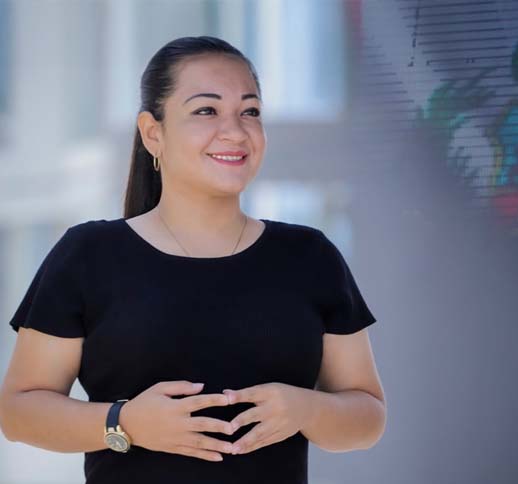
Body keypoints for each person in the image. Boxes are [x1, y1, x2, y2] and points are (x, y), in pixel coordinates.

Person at [0, 36, 386, 484]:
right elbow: (18, 412)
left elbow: (368, 416)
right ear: (153, 133)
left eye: (250, 111)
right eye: (206, 110)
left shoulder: (310, 256)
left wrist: (307, 408)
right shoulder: (88, 254)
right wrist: (124, 423)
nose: (235, 130)